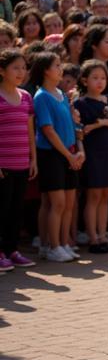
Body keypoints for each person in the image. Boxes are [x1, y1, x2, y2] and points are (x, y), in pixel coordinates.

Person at [31, 50, 82, 263]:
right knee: (56, 202)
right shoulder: (41, 96)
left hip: (69, 152)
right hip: (52, 154)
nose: (61, 69)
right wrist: (67, 155)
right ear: (45, 71)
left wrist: (78, 150)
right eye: (57, 66)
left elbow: (72, 124)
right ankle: (52, 246)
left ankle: (63, 243)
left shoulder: (62, 95)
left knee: (68, 203)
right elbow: (48, 130)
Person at [74, 60, 108, 255]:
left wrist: (101, 122)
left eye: (103, 78)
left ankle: (103, 235)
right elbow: (81, 129)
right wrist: (96, 125)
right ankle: (93, 237)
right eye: (95, 78)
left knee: (106, 195)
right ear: (85, 80)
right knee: (93, 196)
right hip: (93, 152)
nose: (100, 82)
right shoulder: (80, 103)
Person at [0, 49, 36, 271]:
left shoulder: (26, 97)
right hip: (3, 165)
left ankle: (12, 250)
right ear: (2, 71)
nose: (21, 72)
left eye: (23, 67)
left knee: (16, 210)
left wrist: (33, 159)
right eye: (15, 67)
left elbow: (29, 129)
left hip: (22, 162)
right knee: (1, 210)